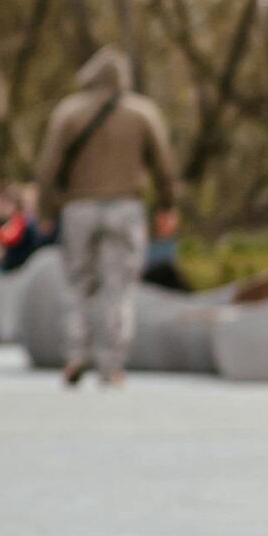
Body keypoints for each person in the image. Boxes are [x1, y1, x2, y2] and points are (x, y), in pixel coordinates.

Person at [32, 46, 182, 385]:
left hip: (79, 207)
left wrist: (45, 210)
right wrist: (168, 206)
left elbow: (48, 166)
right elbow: (163, 164)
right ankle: (112, 364)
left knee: (77, 284)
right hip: (126, 208)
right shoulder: (143, 113)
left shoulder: (69, 113)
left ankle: (75, 355)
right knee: (119, 287)